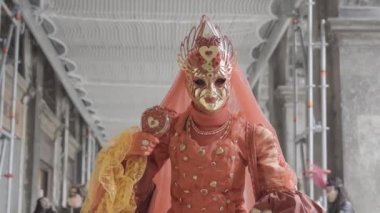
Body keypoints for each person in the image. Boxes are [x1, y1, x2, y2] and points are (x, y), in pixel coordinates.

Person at [82, 15, 323, 212]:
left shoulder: (253, 135)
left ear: (229, 82)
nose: (210, 90)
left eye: (219, 81)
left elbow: (278, 189)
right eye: (200, 81)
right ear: (188, 83)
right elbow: (133, 189)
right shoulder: (171, 130)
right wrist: (130, 153)